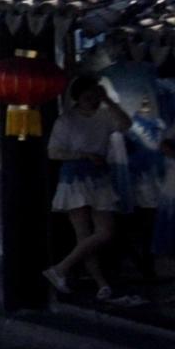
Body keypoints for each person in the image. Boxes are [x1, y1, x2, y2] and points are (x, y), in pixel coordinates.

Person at [45, 81, 128, 301]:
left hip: (99, 175)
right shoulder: (66, 120)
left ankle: (61, 269)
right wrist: (82, 155)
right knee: (83, 233)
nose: (92, 101)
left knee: (105, 231)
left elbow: (125, 124)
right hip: (75, 176)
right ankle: (101, 283)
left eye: (95, 97)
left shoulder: (104, 116)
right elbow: (53, 152)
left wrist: (109, 102)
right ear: (78, 97)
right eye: (87, 97)